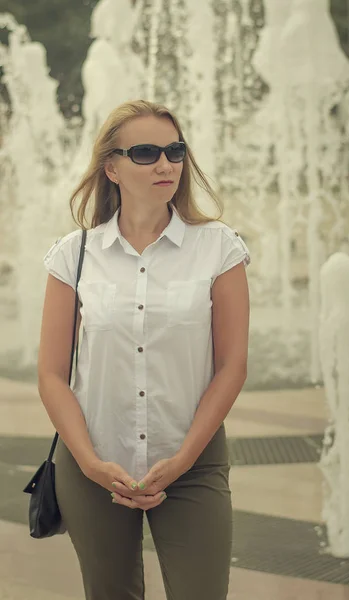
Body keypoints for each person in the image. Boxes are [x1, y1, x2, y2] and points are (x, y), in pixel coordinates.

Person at [37, 99, 251, 600]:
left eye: (174, 151)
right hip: (93, 464)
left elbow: (232, 366)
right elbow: (51, 375)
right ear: (111, 167)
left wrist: (180, 460)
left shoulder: (219, 248)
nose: (165, 164)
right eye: (146, 152)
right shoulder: (74, 254)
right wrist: (90, 462)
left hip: (191, 462)